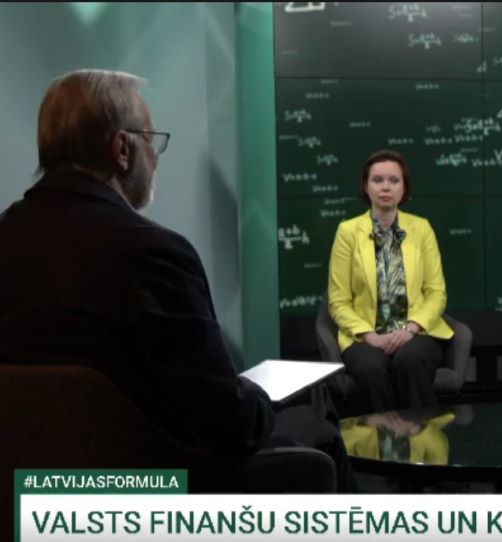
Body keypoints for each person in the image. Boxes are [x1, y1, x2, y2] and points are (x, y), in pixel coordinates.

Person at [0, 69, 354, 492]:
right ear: (122, 149)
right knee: (316, 416)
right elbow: (228, 424)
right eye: (151, 139)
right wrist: (256, 396)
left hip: (29, 488)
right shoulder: (151, 253)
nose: (155, 157)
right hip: (155, 484)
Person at [328, 149, 453, 413]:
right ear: (366, 186)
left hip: (416, 332)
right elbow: (338, 301)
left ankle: (422, 435)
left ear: (404, 187)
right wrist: (370, 336)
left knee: (409, 361)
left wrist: (411, 329)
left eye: (394, 180)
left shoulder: (421, 228)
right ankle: (381, 437)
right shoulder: (347, 232)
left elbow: (436, 293)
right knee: (370, 370)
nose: (386, 187)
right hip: (365, 336)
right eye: (378, 180)